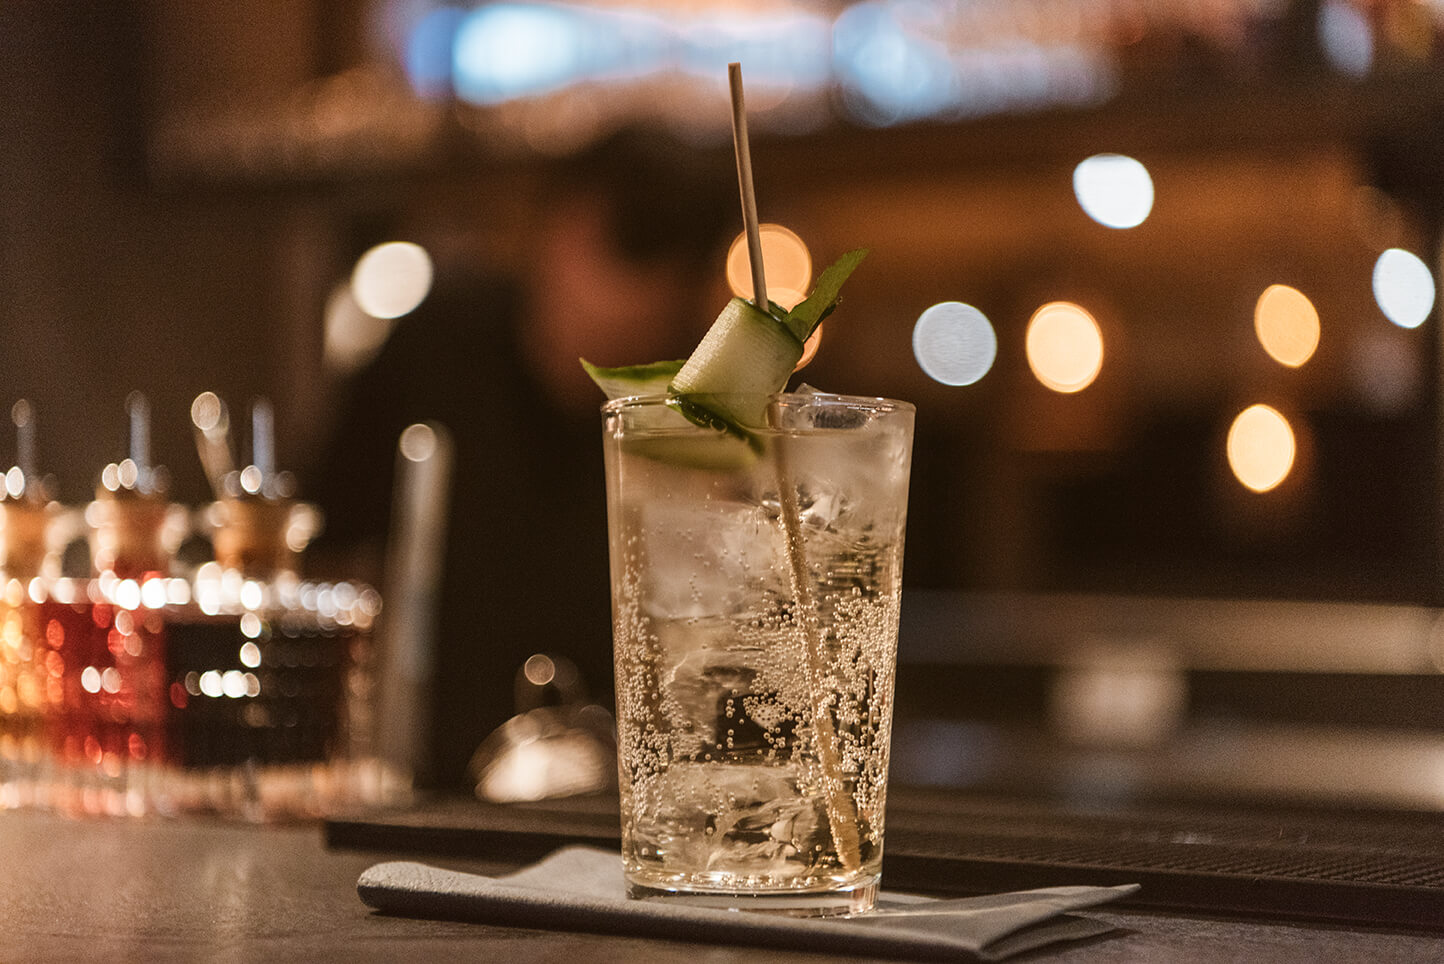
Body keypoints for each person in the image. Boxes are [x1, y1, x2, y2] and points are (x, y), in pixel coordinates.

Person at [308, 128, 734, 789]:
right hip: (428, 789)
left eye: (652, 273)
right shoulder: (436, 346)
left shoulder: (702, 411)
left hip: (622, 804)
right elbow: (329, 550)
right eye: (609, 252)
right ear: (554, 231)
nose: (614, 301)